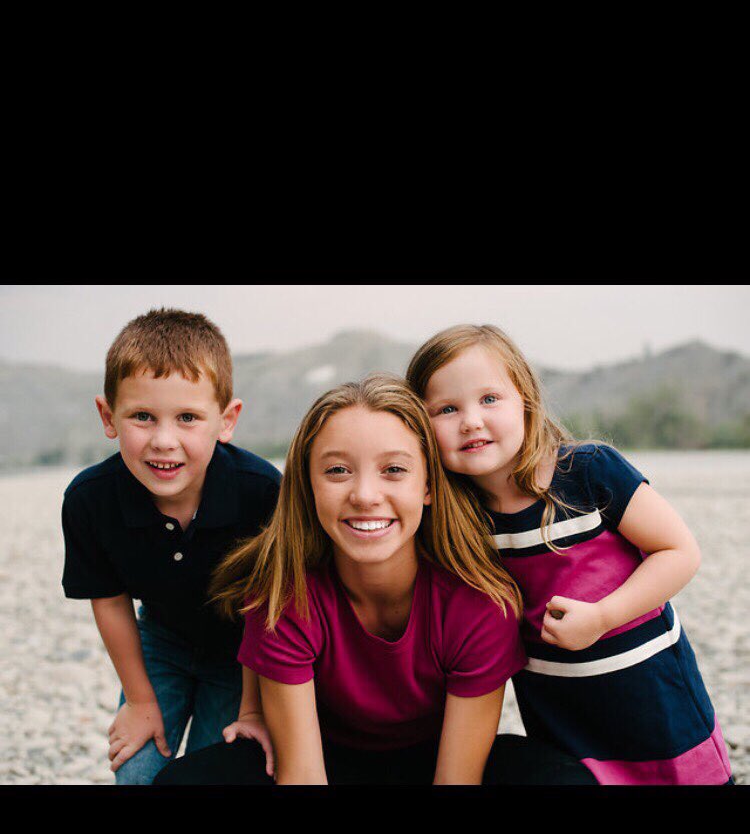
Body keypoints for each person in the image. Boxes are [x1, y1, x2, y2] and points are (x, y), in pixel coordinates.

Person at [155, 375, 597, 785]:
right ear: (308, 488)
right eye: (337, 471)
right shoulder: (285, 596)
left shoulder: (479, 602)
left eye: (394, 470)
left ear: (428, 486)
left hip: (439, 761)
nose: (365, 496)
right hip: (325, 760)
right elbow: (302, 776)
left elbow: (457, 780)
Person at [406, 323, 733, 785]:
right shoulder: (458, 519)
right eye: (446, 409)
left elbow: (679, 550)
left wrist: (603, 616)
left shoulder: (585, 471)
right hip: (559, 714)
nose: (471, 421)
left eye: (489, 399)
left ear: (524, 399)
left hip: (653, 696)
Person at [61, 308, 281, 784]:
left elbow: (264, 606)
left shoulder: (259, 492)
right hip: (160, 643)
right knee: (137, 774)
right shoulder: (90, 499)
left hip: (239, 653)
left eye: (187, 418)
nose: (164, 440)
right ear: (108, 416)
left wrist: (253, 708)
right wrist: (139, 700)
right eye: (142, 416)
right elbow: (110, 599)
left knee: (211, 771)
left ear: (226, 420)